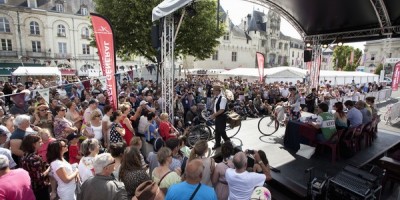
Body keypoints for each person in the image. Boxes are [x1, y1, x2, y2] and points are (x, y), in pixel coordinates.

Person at [21, 134, 50, 200]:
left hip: (30, 187)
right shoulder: (35, 158)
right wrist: (49, 169)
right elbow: (39, 177)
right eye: (39, 142)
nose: (41, 143)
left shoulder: (24, 156)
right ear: (33, 144)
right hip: (40, 188)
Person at [210, 84, 230, 150]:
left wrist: (214, 115)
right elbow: (216, 108)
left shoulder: (223, 98)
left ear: (217, 91)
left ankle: (227, 140)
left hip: (222, 117)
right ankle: (217, 143)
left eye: (214, 91)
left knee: (221, 130)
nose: (213, 92)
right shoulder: (216, 98)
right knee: (217, 131)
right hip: (218, 117)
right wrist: (214, 114)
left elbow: (222, 110)